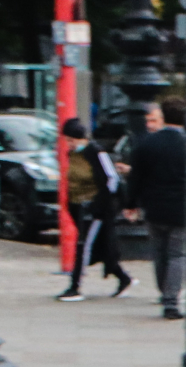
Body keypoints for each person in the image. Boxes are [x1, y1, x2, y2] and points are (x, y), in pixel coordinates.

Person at [126, 100, 186, 320]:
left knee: (159, 253)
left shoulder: (147, 144)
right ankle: (171, 300)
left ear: (163, 116)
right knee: (177, 254)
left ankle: (164, 293)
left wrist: (130, 204)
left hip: (153, 206)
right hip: (181, 208)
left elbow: (135, 177)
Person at [55, 118, 132, 300]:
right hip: (78, 205)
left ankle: (75, 285)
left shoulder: (96, 152)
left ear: (82, 139)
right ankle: (123, 277)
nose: (70, 144)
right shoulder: (72, 154)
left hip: (95, 208)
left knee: (84, 245)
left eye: (72, 140)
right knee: (99, 245)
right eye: (68, 140)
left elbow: (111, 178)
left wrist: (101, 202)